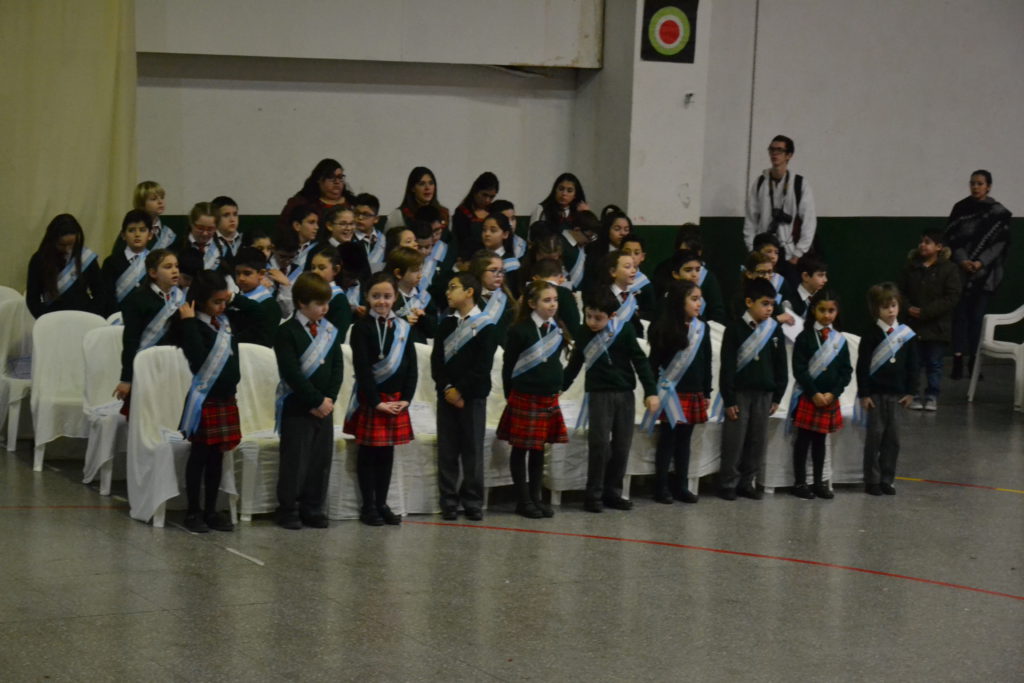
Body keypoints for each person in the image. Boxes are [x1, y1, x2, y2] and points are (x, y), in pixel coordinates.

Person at [562, 288, 658, 513]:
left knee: (622, 445)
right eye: (588, 316)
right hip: (598, 395)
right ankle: (593, 494)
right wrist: (560, 387)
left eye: (599, 318)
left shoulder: (623, 332)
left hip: (624, 395)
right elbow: (575, 365)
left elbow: (640, 362)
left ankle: (612, 492)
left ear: (612, 316)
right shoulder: (583, 332)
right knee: (599, 445)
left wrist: (650, 392)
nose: (592, 322)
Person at [344, 272, 417, 526]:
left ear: (395, 297)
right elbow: (362, 370)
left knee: (386, 454)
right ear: (367, 297)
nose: (382, 301)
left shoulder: (403, 327)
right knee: (368, 454)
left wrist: (406, 398)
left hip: (396, 400)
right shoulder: (360, 328)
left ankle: (382, 503)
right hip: (372, 400)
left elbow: (412, 366)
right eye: (376, 296)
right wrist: (376, 402)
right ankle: (368, 506)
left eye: (387, 296)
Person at [274, 272, 343, 530]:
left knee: (319, 461)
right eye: (319, 304)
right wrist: (315, 400)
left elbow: (337, 367)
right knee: (296, 460)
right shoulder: (287, 332)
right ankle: (288, 508)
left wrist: (330, 399)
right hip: (298, 406)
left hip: (325, 408)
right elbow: (291, 373)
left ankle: (313, 507)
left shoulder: (329, 331)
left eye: (327, 303)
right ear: (302, 303)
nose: (325, 309)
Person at [497, 281, 571, 518]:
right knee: (521, 450)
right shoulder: (520, 330)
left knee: (539, 450)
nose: (552, 305)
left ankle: (536, 497)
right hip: (525, 397)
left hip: (547, 398)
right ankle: (523, 500)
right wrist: (510, 394)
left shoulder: (556, 329)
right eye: (547, 300)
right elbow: (508, 367)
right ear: (532, 303)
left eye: (555, 300)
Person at [432, 271, 499, 521]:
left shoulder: (486, 325)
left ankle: (472, 500)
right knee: (447, 450)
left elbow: (482, 366)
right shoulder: (446, 323)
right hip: (447, 396)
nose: (448, 292)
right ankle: (448, 500)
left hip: (472, 397)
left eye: (453, 287)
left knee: (472, 451)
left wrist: (461, 390)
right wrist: (448, 388)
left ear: (469, 292)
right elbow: (437, 361)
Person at [177, 271, 241, 533]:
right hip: (206, 400)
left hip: (226, 398)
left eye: (225, 301)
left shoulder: (224, 323)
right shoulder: (192, 326)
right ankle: (193, 511)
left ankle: (212, 510)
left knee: (217, 458)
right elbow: (198, 359)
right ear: (201, 301)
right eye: (216, 302)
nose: (222, 307)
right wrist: (190, 323)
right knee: (199, 457)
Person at [718, 277, 788, 500]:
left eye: (772, 304)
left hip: (765, 394)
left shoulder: (774, 330)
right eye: (764, 303)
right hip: (740, 393)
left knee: (757, 440)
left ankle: (748, 482)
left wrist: (778, 395)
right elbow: (727, 367)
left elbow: (781, 366)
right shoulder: (735, 329)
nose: (769, 309)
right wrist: (728, 399)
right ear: (749, 302)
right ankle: (728, 482)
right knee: (735, 440)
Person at [645, 280, 712, 504]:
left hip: (693, 392)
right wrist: (651, 391)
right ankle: (661, 486)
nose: (698, 303)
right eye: (693, 299)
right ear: (678, 301)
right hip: (670, 391)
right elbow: (653, 363)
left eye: (700, 298)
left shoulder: (702, 328)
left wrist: (707, 391)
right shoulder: (664, 327)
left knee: (685, 440)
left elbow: (707, 361)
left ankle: (680, 485)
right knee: (668, 439)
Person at [944, 170, 1013, 379]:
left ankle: (975, 362)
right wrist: (963, 260)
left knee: (976, 319)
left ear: (988, 186)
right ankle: (957, 360)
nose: (975, 187)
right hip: (961, 272)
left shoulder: (998, 213)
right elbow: (953, 238)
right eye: (972, 183)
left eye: (980, 183)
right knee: (959, 317)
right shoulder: (960, 209)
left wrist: (980, 262)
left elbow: (1000, 244)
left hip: (985, 276)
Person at [789, 288, 851, 500]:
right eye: (822, 310)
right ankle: (799, 482)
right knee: (803, 442)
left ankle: (818, 483)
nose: (827, 315)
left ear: (837, 312)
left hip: (828, 399)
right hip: (809, 396)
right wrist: (814, 392)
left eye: (831, 310)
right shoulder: (804, 338)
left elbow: (846, 371)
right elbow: (799, 369)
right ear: (814, 310)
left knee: (820, 442)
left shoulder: (839, 340)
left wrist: (833, 394)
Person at [857, 283, 918, 496]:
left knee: (893, 440)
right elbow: (863, 366)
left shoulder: (906, 335)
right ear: (876, 310)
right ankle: (871, 479)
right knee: (874, 438)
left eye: (893, 305)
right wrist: (864, 393)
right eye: (885, 307)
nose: (891, 310)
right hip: (875, 395)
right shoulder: (871, 334)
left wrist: (911, 391)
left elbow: (913, 365)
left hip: (897, 396)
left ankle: (887, 479)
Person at [897, 229, 961, 411]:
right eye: (921, 241)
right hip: (912, 325)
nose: (922, 245)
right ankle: (913, 394)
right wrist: (908, 308)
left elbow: (952, 297)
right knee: (914, 362)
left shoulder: (949, 269)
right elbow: (900, 292)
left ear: (939, 247)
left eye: (927, 242)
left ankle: (932, 394)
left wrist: (925, 312)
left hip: (937, 326)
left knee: (934, 363)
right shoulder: (911, 267)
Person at [114, 249, 184, 412]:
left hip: (172, 366)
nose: (174, 270)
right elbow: (131, 340)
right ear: (153, 272)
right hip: (147, 367)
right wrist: (126, 379)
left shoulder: (180, 297)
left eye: (176, 266)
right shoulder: (137, 299)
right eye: (167, 267)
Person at [743, 135, 817, 284]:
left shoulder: (799, 184)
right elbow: (750, 221)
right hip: (762, 251)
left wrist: (797, 254)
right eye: (771, 149)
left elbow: (809, 222)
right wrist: (753, 250)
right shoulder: (760, 183)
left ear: (789, 155)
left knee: (787, 293)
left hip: (788, 254)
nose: (774, 154)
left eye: (779, 150)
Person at [26, 214, 102, 318]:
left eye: (71, 244)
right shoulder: (39, 260)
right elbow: (32, 299)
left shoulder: (85, 257)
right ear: (52, 240)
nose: (67, 249)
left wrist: (91, 315)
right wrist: (45, 318)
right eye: (62, 245)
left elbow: (100, 293)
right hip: (53, 318)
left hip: (83, 317)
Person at [277, 159, 355, 233]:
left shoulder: (352, 203)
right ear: (319, 179)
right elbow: (284, 229)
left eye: (340, 177)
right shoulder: (301, 203)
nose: (337, 182)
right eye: (331, 177)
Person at [228, 246, 282, 347]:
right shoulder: (237, 299)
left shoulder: (270, 306)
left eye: (247, 273)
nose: (241, 278)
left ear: (261, 274)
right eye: (237, 273)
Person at [101, 209, 151, 315]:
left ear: (150, 235)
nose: (137, 234)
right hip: (118, 318)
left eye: (142, 230)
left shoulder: (155, 261)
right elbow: (107, 296)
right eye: (131, 230)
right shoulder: (111, 262)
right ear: (123, 235)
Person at [467, 249, 518, 345]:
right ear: (479, 271)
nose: (499, 275)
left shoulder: (509, 302)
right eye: (493, 270)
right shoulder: (467, 298)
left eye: (502, 271)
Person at [387, 245, 435, 343]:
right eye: (414, 271)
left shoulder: (424, 296)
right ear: (398, 273)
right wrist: (403, 320)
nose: (420, 275)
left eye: (420, 270)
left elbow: (433, 330)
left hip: (419, 346)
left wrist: (423, 318)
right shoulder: (387, 296)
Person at [386, 166, 450, 236]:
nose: (427, 188)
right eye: (422, 184)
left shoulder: (444, 213)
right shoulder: (398, 215)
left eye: (431, 183)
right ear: (412, 188)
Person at [308, 247, 354, 342]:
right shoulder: (308, 292)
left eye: (321, 268)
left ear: (336, 269)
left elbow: (340, 336)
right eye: (313, 267)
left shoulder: (338, 299)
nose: (315, 272)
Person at [451, 172, 499, 259]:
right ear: (475, 191)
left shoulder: (495, 211)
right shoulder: (462, 212)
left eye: (492, 197)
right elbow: (462, 241)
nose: (487, 200)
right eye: (484, 195)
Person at [530, 259, 581, 340]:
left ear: (535, 278)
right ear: (560, 276)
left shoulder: (528, 293)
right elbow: (574, 326)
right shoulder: (564, 293)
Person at [479, 212, 521, 297]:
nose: (487, 234)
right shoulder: (478, 258)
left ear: (505, 234)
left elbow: (512, 293)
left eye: (493, 230)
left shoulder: (511, 263)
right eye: (484, 230)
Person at [605, 250, 644, 339]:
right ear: (613, 272)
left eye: (634, 267)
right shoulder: (602, 296)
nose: (634, 271)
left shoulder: (631, 297)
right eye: (627, 267)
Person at [181, 202, 226, 274]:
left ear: (216, 228)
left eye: (210, 229)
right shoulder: (177, 249)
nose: (205, 233)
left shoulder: (224, 250)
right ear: (191, 223)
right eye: (200, 228)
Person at [353, 193, 387, 273]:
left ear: (376, 219)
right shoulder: (348, 239)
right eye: (357, 213)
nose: (360, 218)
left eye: (366, 214)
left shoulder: (384, 240)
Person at [212, 195, 243, 267]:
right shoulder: (209, 241)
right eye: (226, 215)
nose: (232, 219)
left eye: (235, 214)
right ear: (215, 218)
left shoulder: (245, 240)